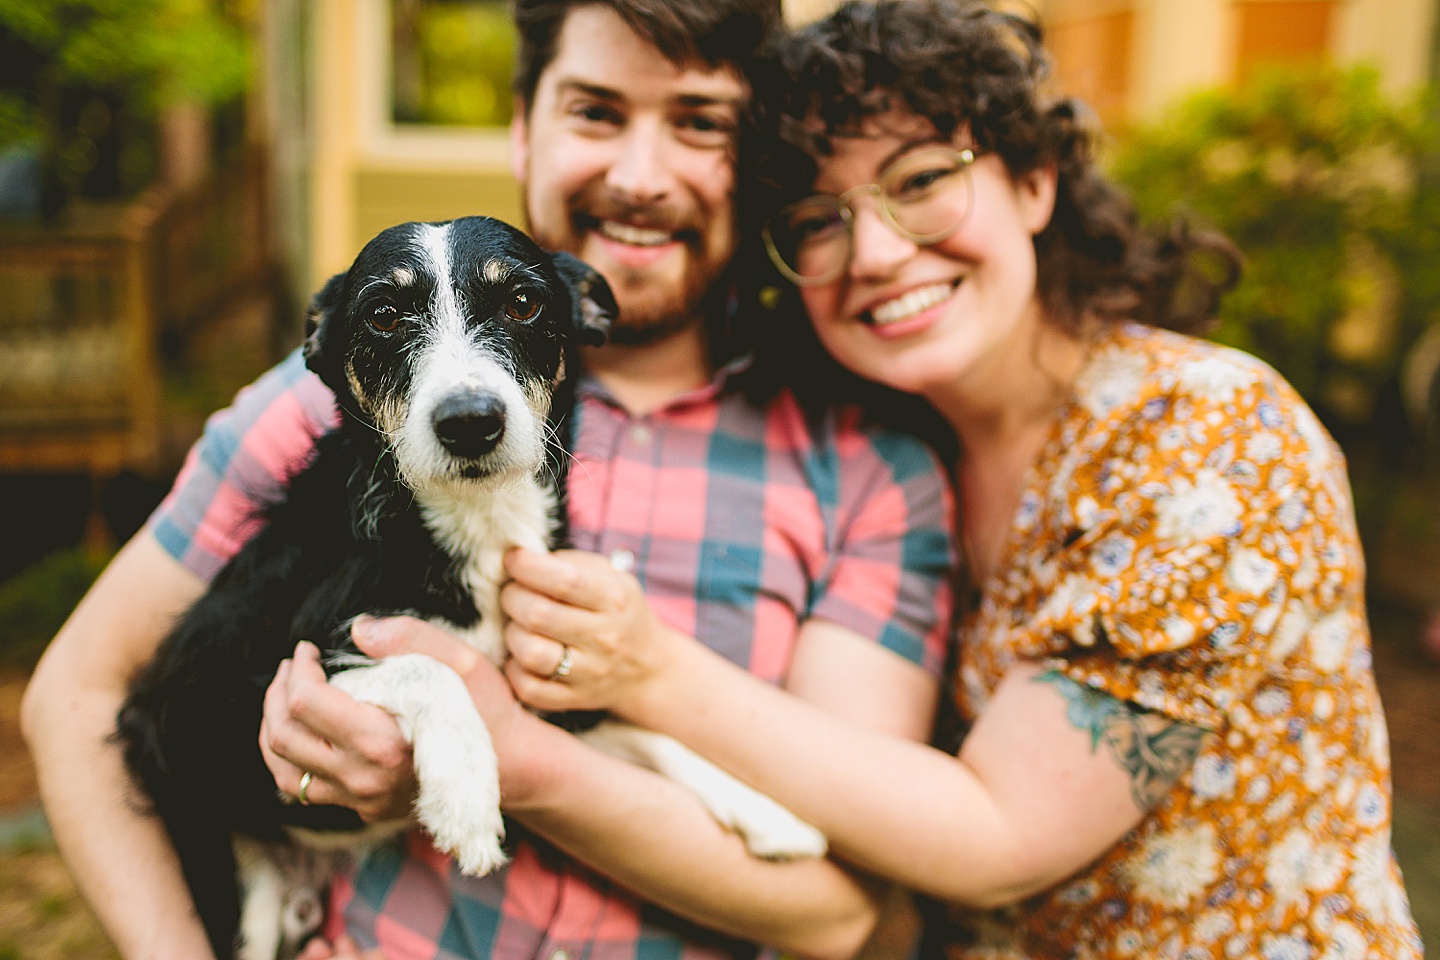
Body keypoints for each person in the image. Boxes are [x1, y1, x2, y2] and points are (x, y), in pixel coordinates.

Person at [459, 1, 1422, 957]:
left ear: (1036, 180)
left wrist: (646, 666)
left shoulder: (1206, 436)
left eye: (922, 180)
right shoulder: (898, 445)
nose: (877, 253)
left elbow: (1000, 839)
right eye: (818, 220)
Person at [20, 2, 955, 958]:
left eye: (699, 120)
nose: (639, 176)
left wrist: (520, 754)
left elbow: (841, 913)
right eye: (594, 111)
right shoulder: (309, 420)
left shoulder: (867, 469)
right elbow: (80, 698)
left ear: (752, 151)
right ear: (522, 122)